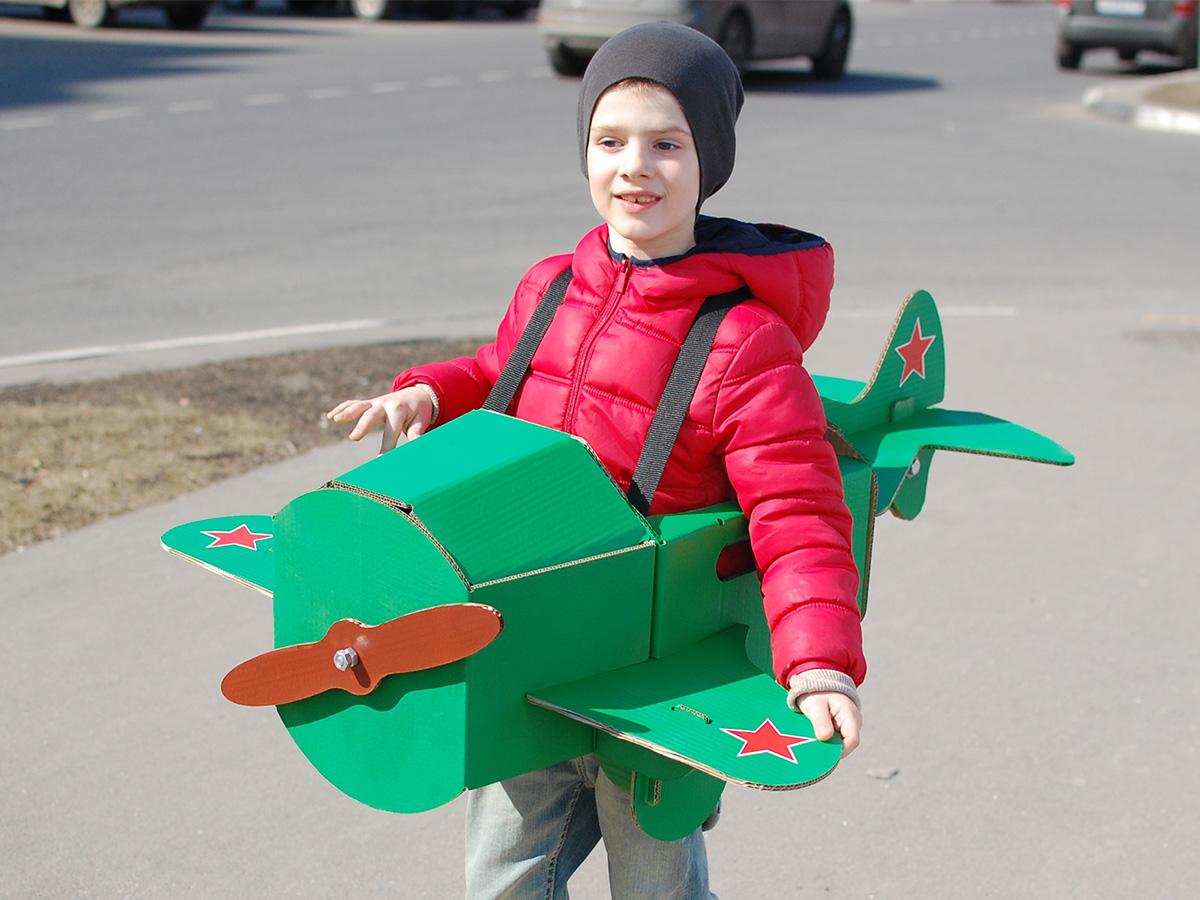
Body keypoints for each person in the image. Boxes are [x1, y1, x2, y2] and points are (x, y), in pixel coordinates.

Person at [327, 21, 864, 900]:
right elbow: (498, 375)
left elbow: (797, 512)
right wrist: (427, 392)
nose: (634, 167)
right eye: (609, 141)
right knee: (502, 881)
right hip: (524, 645)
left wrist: (818, 661)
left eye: (667, 144)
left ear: (710, 160)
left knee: (655, 885)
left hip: (648, 679)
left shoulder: (745, 341)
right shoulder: (549, 286)